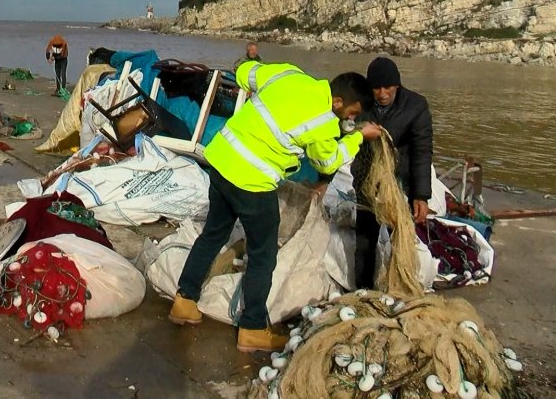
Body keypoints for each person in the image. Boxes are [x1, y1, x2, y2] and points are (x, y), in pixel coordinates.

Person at [168, 61, 382, 352]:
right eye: (352, 113)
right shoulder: (324, 123)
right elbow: (328, 162)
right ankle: (253, 328)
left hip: (221, 161)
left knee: (213, 234)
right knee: (263, 255)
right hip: (252, 181)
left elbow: (245, 73)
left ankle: (184, 301)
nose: (349, 119)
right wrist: (357, 136)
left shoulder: (290, 73)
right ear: (339, 101)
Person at [352, 56, 434, 290]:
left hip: (399, 187)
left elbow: (422, 152)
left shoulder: (416, 106)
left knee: (400, 240)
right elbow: (342, 131)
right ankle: (363, 292)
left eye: (388, 87)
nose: (382, 93)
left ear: (397, 85)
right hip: (367, 184)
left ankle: (398, 287)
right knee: (364, 244)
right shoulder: (361, 105)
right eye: (376, 88)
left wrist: (421, 195)